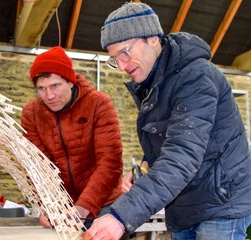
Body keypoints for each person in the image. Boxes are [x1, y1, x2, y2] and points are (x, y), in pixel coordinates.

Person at [83, 2, 251, 240]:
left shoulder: (196, 76)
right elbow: (165, 143)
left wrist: (122, 216)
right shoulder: (152, 85)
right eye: (114, 59)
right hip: (184, 202)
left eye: (125, 52)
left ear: (152, 39)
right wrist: (144, 168)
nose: (121, 66)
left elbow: (182, 154)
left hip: (222, 202)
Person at [21, 46, 123, 229]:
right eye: (41, 89)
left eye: (55, 86)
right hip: (63, 208)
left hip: (105, 205)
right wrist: (48, 206)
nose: (49, 96)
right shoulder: (31, 114)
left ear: (70, 81)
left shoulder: (98, 104)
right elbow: (37, 167)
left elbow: (110, 163)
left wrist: (83, 208)